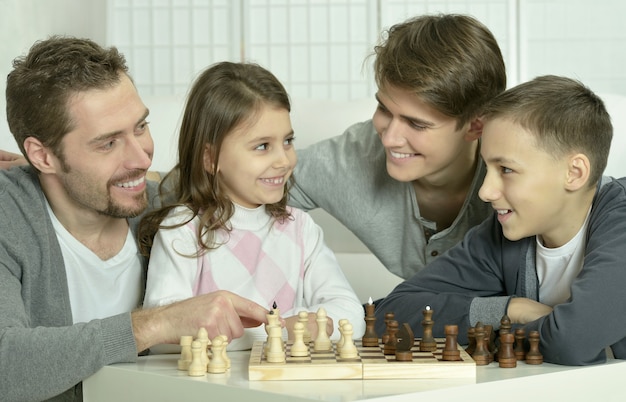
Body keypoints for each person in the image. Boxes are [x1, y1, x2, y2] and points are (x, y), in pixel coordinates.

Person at [0, 36, 269, 401]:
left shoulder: (170, 210)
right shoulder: (9, 214)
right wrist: (158, 323)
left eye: (140, 127)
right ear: (42, 156)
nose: (141, 158)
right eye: (108, 143)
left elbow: (269, 179)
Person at [374, 75, 624, 366]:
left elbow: (573, 341)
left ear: (575, 173)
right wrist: (511, 308)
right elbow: (388, 314)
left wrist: (496, 336)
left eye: (505, 169)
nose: (484, 191)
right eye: (487, 168)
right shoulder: (501, 234)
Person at [138, 62, 365, 350]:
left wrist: (293, 327)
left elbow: (352, 314)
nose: (284, 160)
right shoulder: (182, 231)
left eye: (288, 141)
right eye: (262, 146)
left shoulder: (301, 229)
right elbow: (163, 336)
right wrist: (282, 330)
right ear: (210, 158)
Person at [289, 14, 507, 280]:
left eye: (416, 124)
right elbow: (249, 185)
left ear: (475, 127)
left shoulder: (520, 168)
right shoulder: (353, 156)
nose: (389, 139)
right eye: (383, 108)